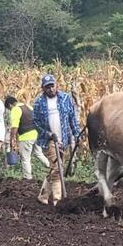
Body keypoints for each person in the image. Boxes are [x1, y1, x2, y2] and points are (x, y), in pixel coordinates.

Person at [33, 74, 81, 205]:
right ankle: (58, 200)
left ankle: (43, 196)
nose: (51, 89)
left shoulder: (65, 98)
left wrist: (77, 135)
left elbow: (73, 119)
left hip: (63, 139)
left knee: (56, 168)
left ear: (56, 85)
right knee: (57, 168)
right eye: (47, 87)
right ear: (43, 88)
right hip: (48, 141)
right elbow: (35, 123)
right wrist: (47, 133)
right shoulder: (38, 103)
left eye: (52, 86)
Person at [5, 95, 50, 180]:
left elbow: (14, 126)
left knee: (25, 158)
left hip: (26, 136)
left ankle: (27, 178)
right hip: (36, 134)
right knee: (39, 154)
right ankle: (53, 168)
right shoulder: (28, 107)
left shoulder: (15, 109)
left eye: (9, 108)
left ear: (10, 105)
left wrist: (12, 139)